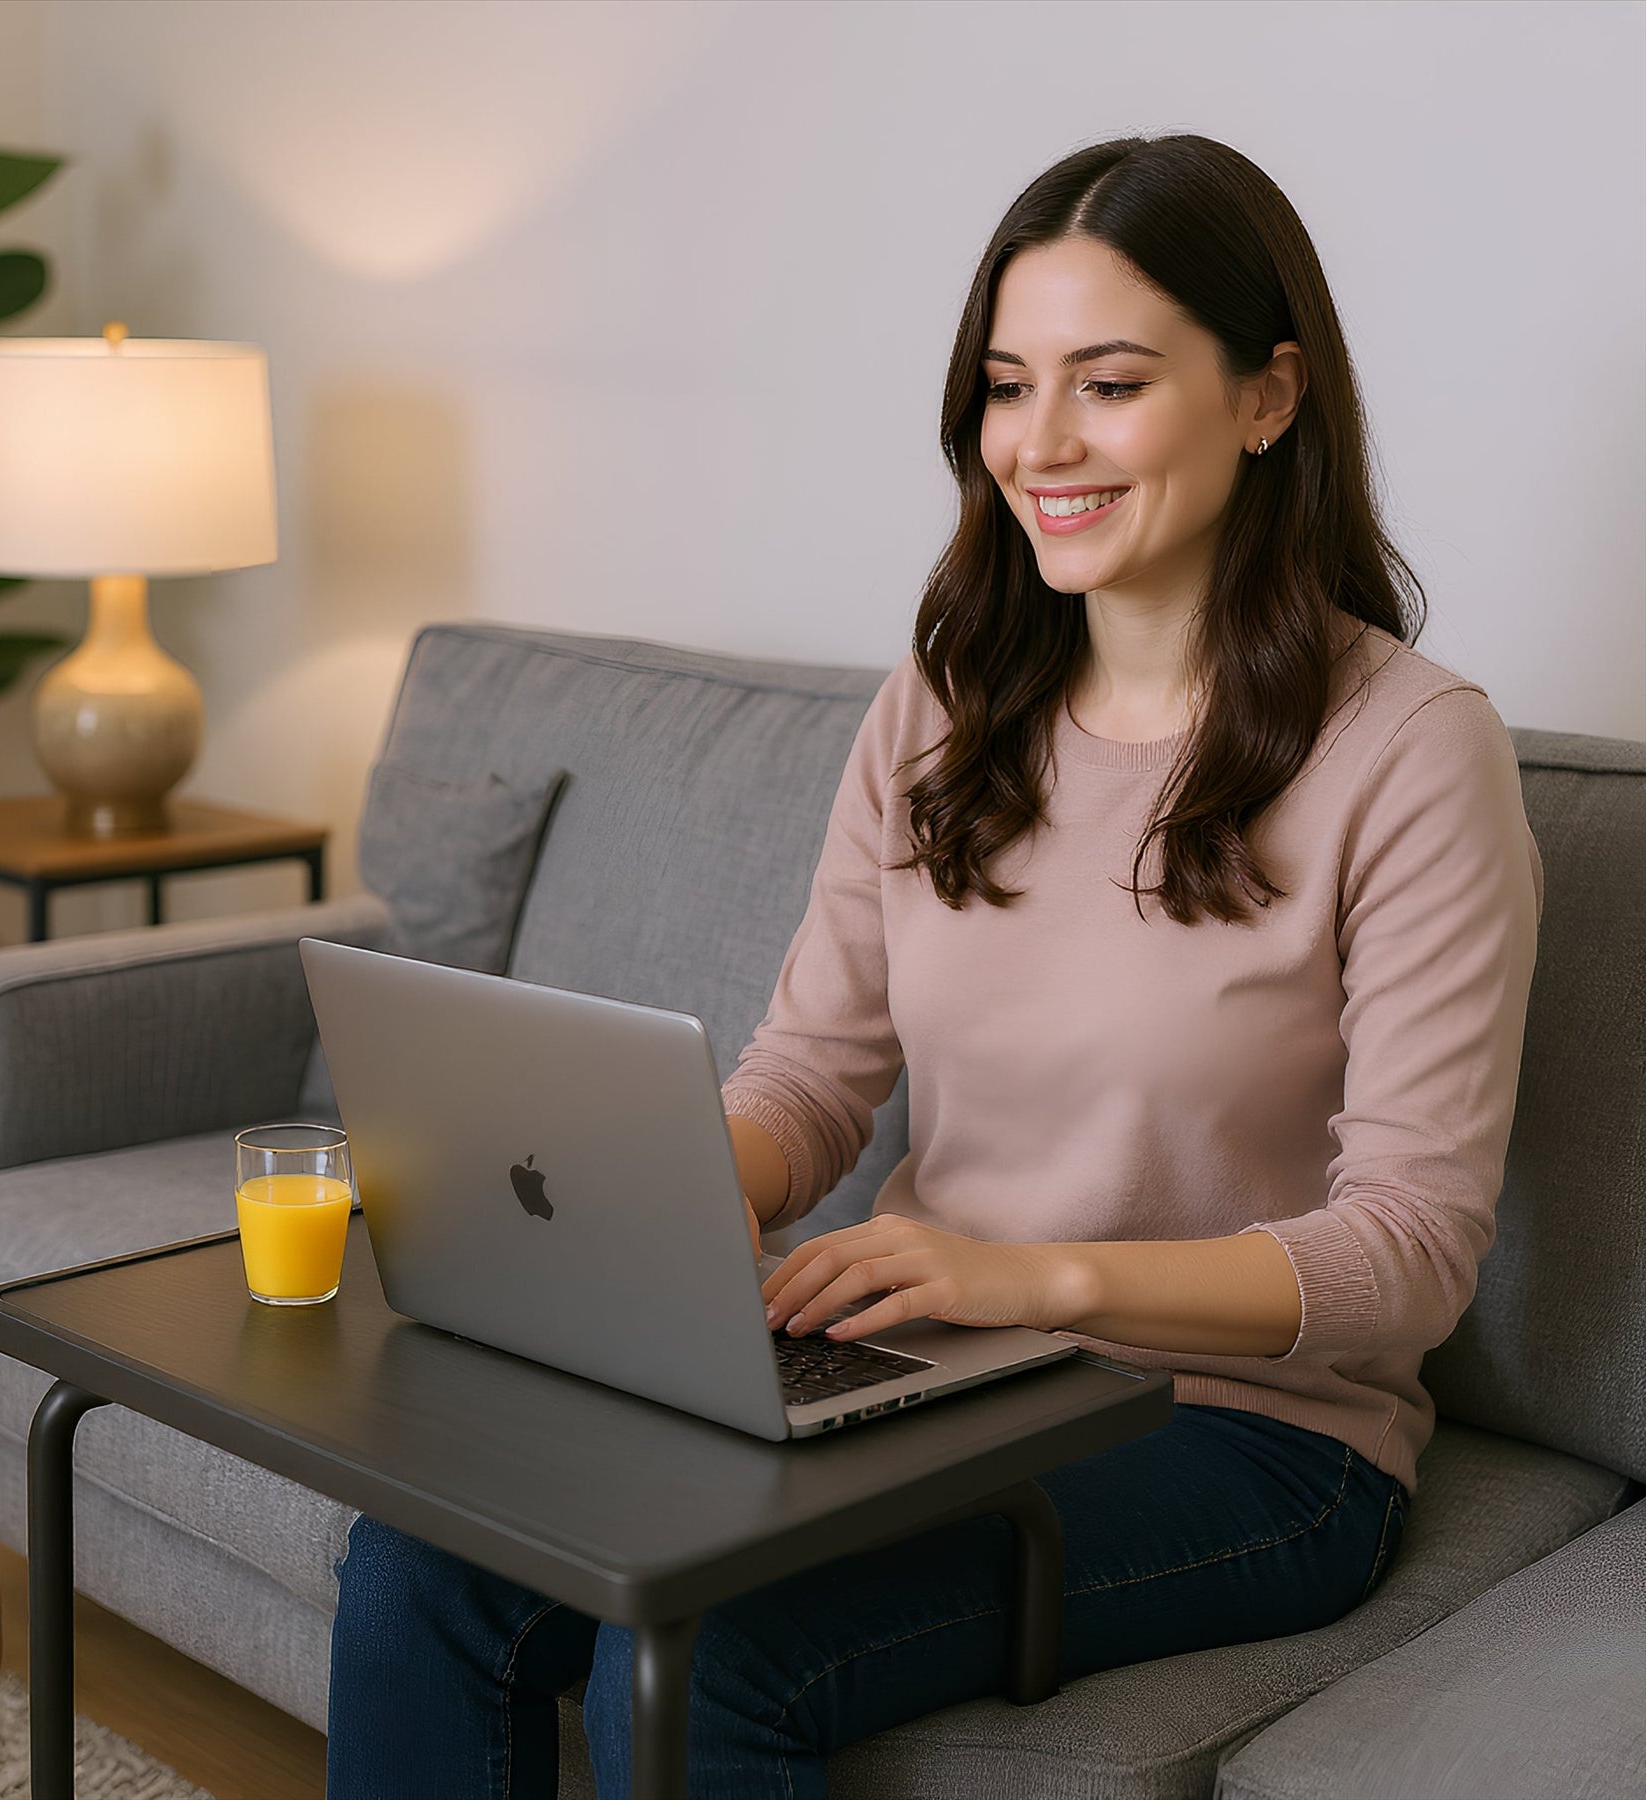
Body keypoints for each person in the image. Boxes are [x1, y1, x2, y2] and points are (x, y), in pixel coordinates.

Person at [324, 132, 1543, 1799]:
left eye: (1108, 386)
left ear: (1269, 398)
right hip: (938, 1360)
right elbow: (813, 1077)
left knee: (716, 1648)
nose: (1039, 445)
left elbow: (1410, 1254)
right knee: (423, 1560)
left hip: (1245, 1435)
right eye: (1005, 385)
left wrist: (1030, 1276)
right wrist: (650, 1202)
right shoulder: (945, 707)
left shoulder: (1410, 751)